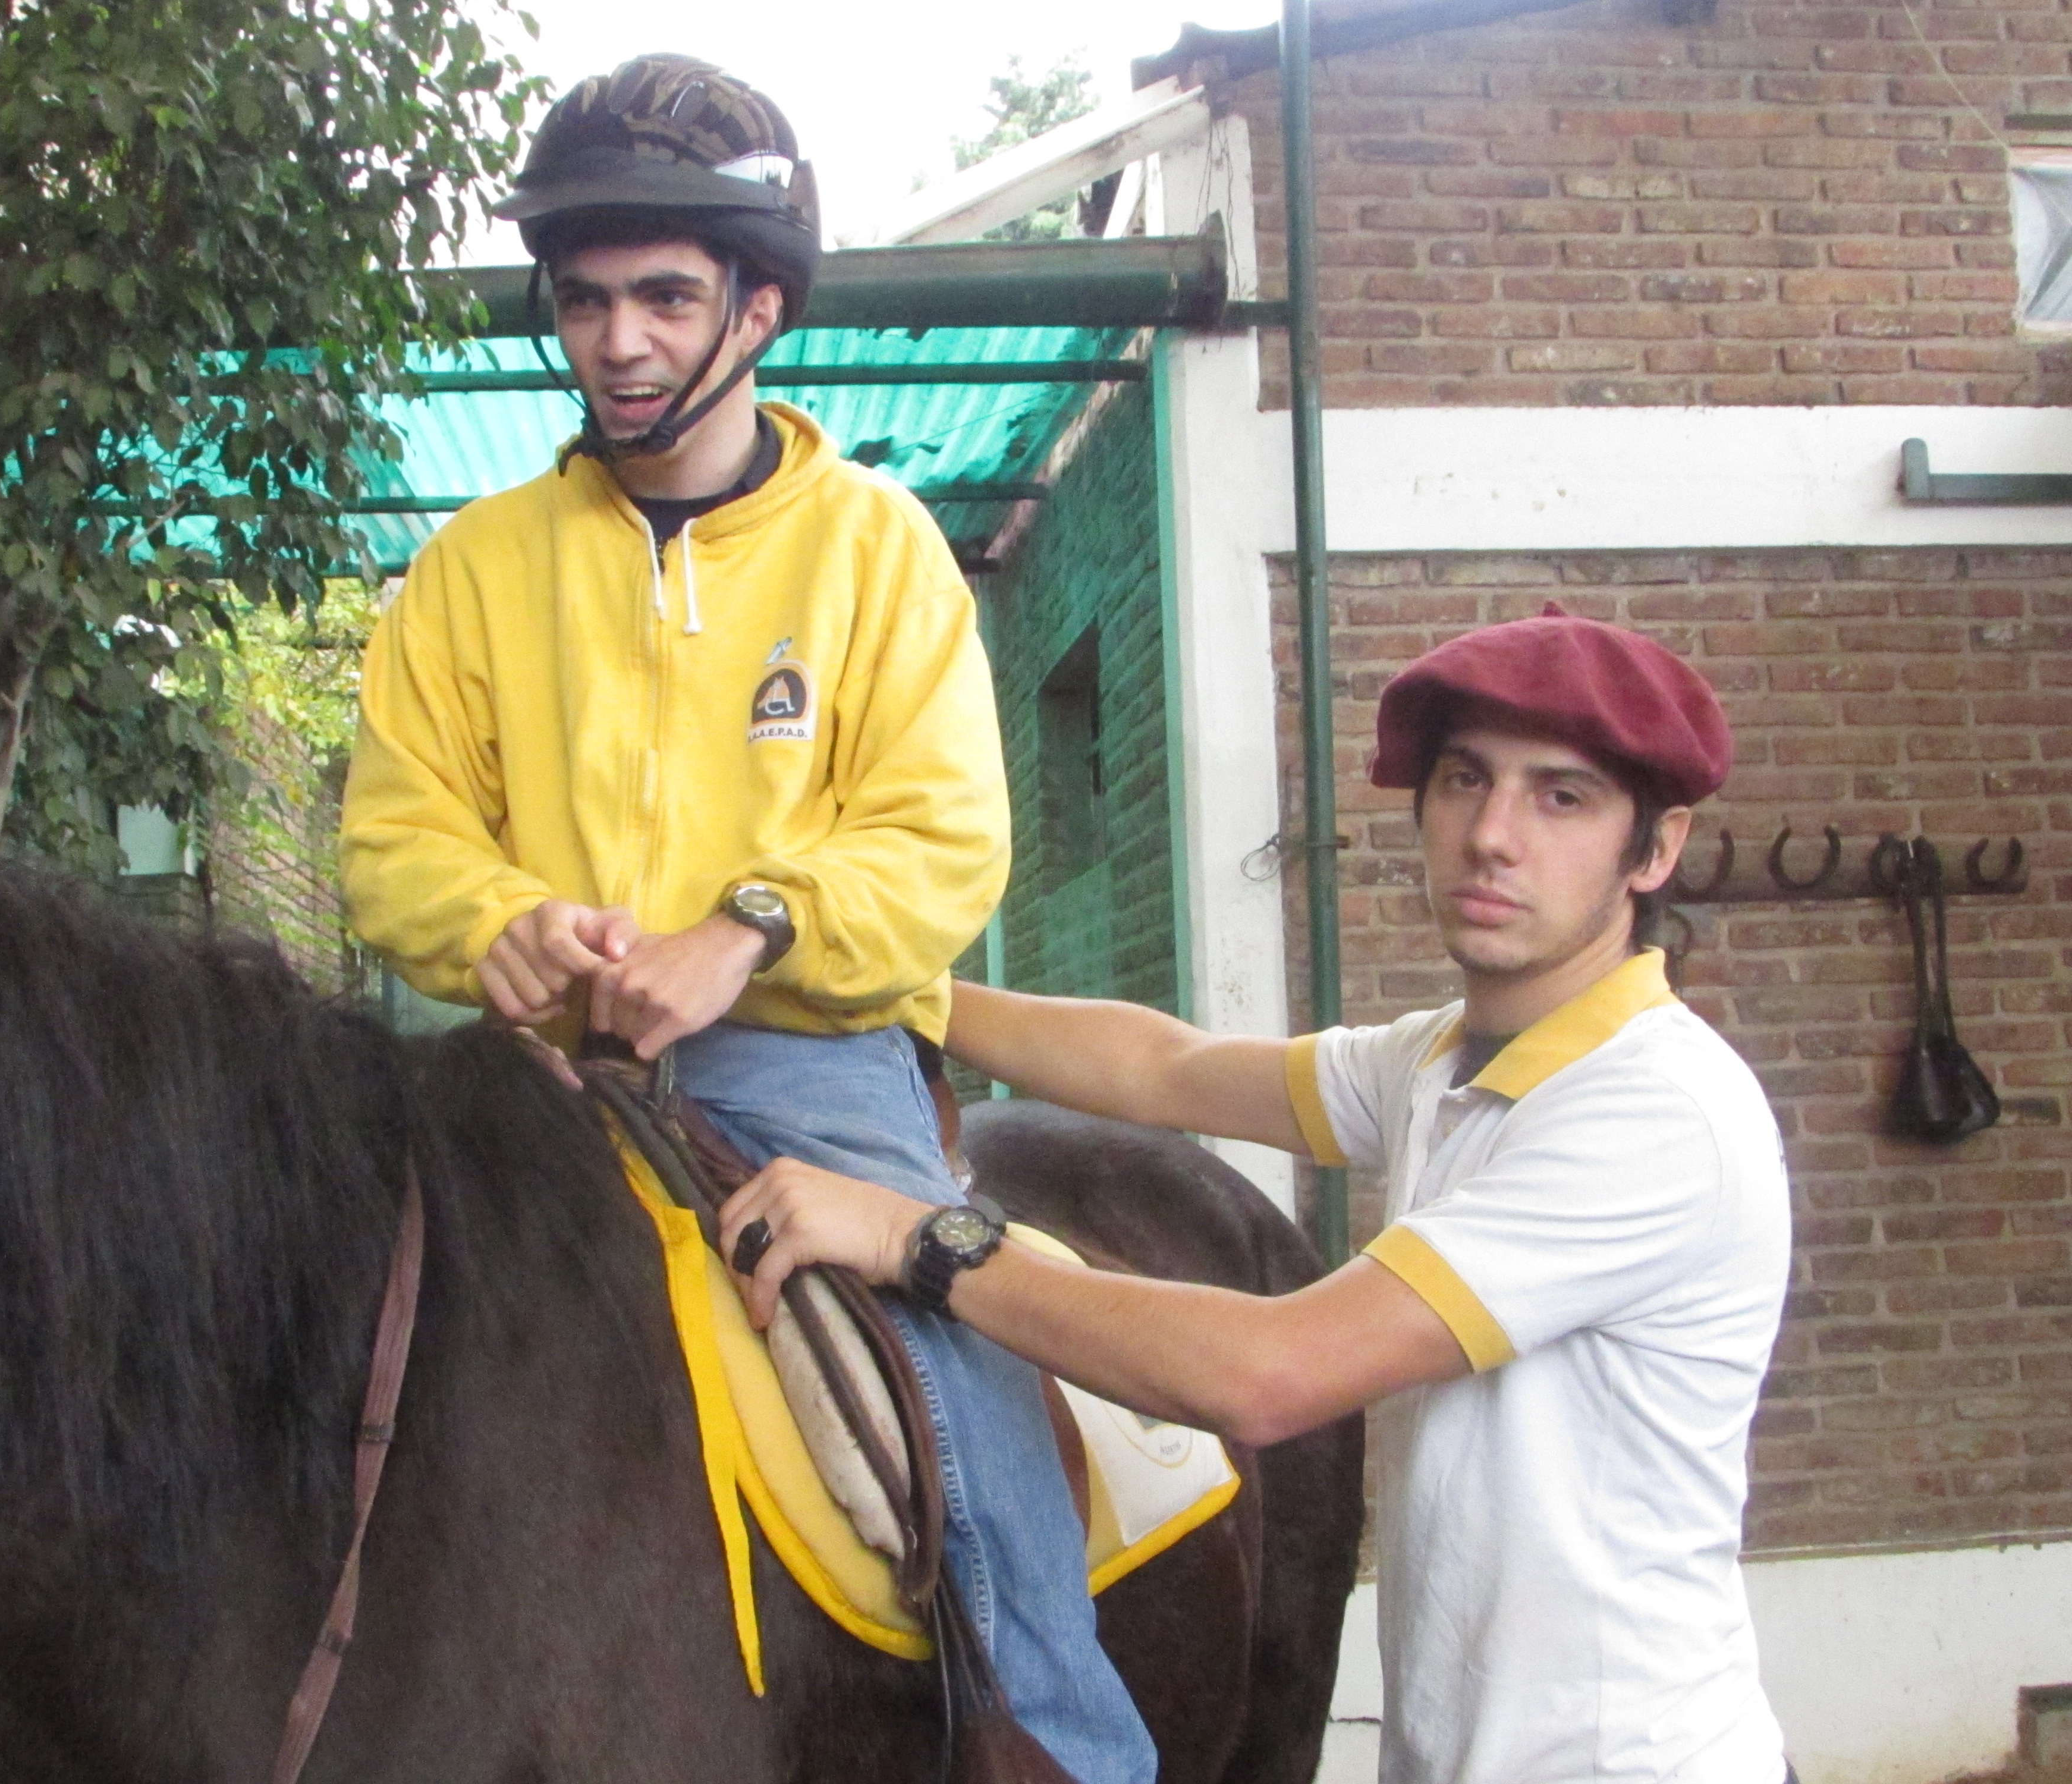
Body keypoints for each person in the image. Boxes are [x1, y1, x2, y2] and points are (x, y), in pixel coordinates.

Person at [337, 54, 1157, 1784]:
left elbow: (946, 837)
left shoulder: (879, 551)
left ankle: (1058, 1741)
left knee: (954, 1362)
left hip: (809, 1074)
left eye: (663, 297)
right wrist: (496, 919)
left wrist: (752, 928)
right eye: (584, 301)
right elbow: (396, 834)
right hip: (532, 1077)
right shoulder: (470, 572)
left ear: (758, 305)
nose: (617, 342)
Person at [720, 607, 1795, 1784]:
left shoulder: (1650, 1113)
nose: (1492, 835)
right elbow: (1166, 1068)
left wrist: (918, 1238)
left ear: (1654, 848)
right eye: (1463, 780)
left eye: (1561, 798)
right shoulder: (1444, 1060)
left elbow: (1266, 1374)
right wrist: (869, 983)